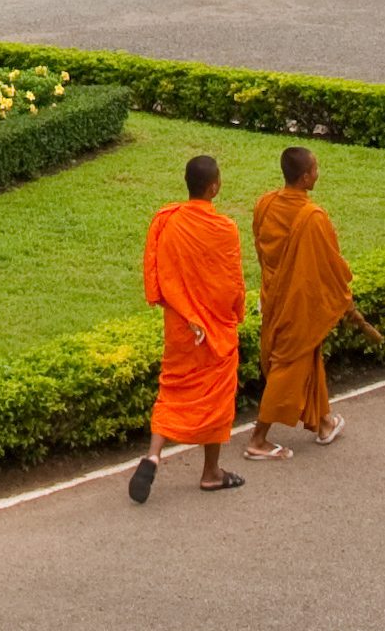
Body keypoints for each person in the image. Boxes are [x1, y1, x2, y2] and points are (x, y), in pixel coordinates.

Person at [245, 146, 371, 457]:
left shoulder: (264, 204)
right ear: (304, 178)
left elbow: (263, 251)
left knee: (306, 357)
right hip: (297, 301)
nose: (318, 173)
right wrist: (345, 301)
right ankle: (258, 440)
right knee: (287, 366)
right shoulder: (312, 217)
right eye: (315, 169)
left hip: (274, 295)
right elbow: (332, 266)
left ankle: (324, 423)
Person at [134, 152, 246, 497]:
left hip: (181, 326)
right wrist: (236, 313)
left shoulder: (167, 220)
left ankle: (153, 456)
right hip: (213, 329)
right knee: (215, 397)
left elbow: (156, 273)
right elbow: (231, 282)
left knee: (173, 388)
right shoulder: (223, 228)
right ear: (214, 187)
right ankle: (211, 472)